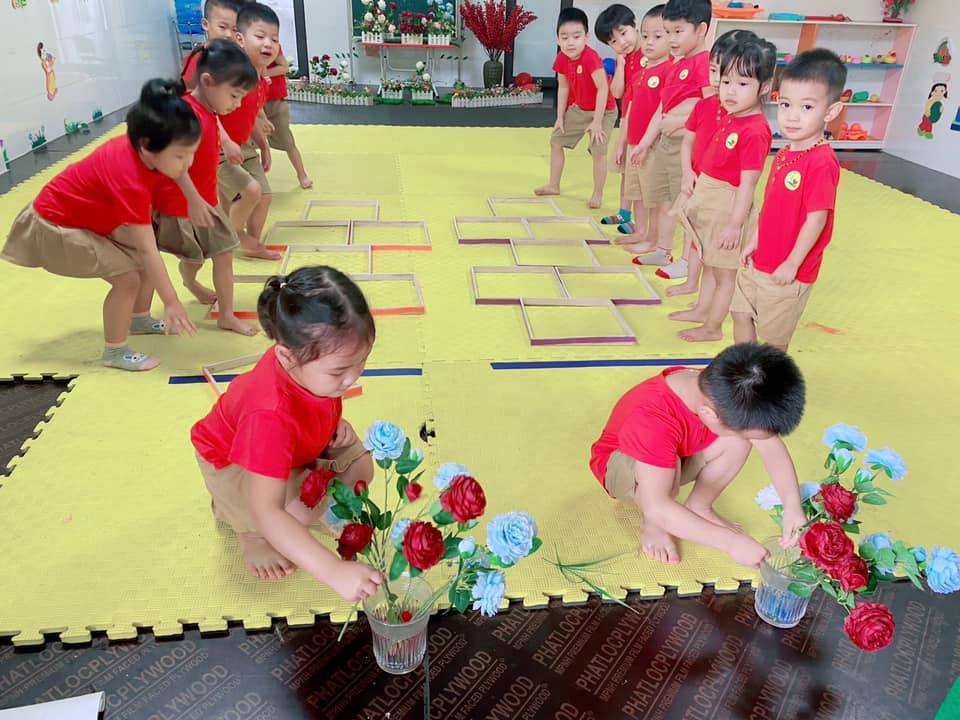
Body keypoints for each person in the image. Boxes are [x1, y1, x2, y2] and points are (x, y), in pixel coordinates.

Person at [191, 266, 383, 601]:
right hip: (234, 462)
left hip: (294, 445)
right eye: (339, 371)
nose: (353, 378)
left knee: (362, 466)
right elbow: (266, 510)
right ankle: (250, 534)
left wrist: (332, 421)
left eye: (361, 362)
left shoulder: (301, 355)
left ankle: (301, 511)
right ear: (286, 356)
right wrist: (333, 570)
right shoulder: (268, 416)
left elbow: (310, 400)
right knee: (278, 515)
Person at [2, 79, 200, 371]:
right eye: (181, 156)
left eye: (192, 153)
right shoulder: (130, 176)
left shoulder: (144, 149)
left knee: (143, 261)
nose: (188, 163)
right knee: (128, 279)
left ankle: (139, 319)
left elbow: (147, 244)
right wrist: (171, 302)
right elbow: (147, 249)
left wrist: (194, 198)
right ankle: (114, 352)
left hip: (86, 217)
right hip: (54, 224)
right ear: (147, 146)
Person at [589, 342, 807, 566]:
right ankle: (652, 525)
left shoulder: (722, 386)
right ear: (709, 415)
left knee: (738, 441)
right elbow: (658, 506)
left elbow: (770, 446)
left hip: (671, 451)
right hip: (619, 467)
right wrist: (731, 543)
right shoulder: (653, 421)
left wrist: (792, 505)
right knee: (667, 474)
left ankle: (699, 507)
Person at [733, 49, 846, 351]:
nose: (792, 116)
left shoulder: (821, 162)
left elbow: (817, 219)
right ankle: (747, 370)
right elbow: (770, 206)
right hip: (761, 260)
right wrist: (755, 239)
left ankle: (768, 378)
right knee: (740, 313)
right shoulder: (785, 153)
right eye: (785, 104)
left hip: (787, 271)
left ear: (831, 111)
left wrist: (792, 263)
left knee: (773, 339)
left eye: (807, 107)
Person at [670, 37, 776, 343]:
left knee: (725, 275)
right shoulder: (730, 115)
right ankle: (702, 310)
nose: (730, 90)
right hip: (710, 195)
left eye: (742, 84)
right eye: (726, 81)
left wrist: (734, 224)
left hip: (728, 205)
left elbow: (748, 183)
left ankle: (713, 327)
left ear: (765, 87)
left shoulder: (755, 130)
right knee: (709, 262)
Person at [154, 39, 260, 336]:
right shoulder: (186, 115)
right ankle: (190, 281)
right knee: (193, 258)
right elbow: (174, 165)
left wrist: (225, 142)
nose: (237, 104)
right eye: (234, 96)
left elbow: (214, 132)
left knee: (224, 252)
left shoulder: (209, 108)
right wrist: (193, 200)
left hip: (207, 202)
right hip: (181, 206)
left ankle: (226, 314)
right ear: (207, 81)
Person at [658, 28, 757, 290]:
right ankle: (691, 281)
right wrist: (687, 172)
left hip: (722, 192)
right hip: (697, 182)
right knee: (693, 233)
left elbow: (746, 178)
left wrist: (736, 220)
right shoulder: (706, 106)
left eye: (725, 75)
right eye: (713, 71)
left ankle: (700, 288)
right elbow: (689, 141)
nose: (716, 80)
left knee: (712, 249)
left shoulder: (741, 117)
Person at [630, 0, 713, 268]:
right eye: (668, 32)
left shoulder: (705, 63)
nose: (672, 39)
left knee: (686, 207)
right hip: (666, 145)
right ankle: (663, 250)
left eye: (678, 32)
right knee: (665, 201)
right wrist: (645, 142)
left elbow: (711, 108)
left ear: (701, 30)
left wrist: (680, 121)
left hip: (686, 148)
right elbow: (662, 108)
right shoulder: (677, 64)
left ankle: (687, 261)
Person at [534, 7, 617, 209]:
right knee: (556, 141)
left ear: (586, 37)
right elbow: (563, 87)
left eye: (576, 36)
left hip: (604, 110)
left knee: (598, 151)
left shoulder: (590, 58)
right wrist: (560, 117)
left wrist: (597, 122)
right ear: (558, 39)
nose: (570, 42)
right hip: (580, 108)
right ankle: (554, 184)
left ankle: (597, 194)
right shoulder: (562, 59)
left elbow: (603, 89)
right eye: (565, 37)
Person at [217, 2, 281, 260]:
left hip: (245, 146)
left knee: (264, 196)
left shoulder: (261, 80)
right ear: (240, 39)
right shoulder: (232, 74)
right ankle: (234, 236)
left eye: (274, 39)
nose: (268, 44)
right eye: (260, 36)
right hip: (217, 147)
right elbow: (208, 111)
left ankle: (252, 244)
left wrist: (264, 145)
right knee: (250, 192)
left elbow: (250, 116)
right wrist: (225, 142)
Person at [595, 3, 644, 232]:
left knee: (639, 174)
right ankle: (624, 214)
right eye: (613, 41)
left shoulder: (648, 55)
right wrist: (621, 63)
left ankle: (641, 224)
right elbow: (616, 92)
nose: (621, 43)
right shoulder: (625, 58)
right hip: (627, 118)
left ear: (635, 25)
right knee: (626, 170)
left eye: (623, 33)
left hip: (642, 121)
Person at [263, 47, 313, 189]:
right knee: (247, 144)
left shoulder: (270, 45)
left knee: (287, 140)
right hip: (250, 100)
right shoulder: (241, 46)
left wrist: (262, 72)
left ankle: (302, 174)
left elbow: (284, 67)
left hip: (274, 100)